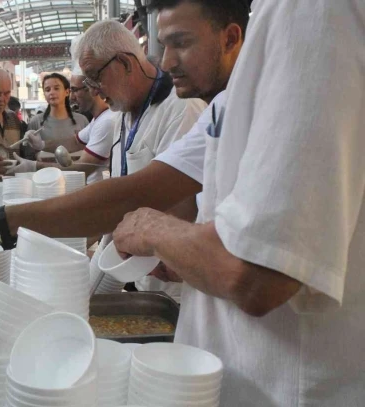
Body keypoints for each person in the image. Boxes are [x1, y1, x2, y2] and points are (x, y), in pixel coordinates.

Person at [113, 1, 365, 405]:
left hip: (285, 387)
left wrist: (152, 229)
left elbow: (256, 275)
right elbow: (244, 233)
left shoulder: (310, 11)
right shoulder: (231, 93)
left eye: (180, 42)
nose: (165, 61)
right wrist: (190, 258)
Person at [0, 0, 247, 267]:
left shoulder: (185, 110)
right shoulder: (126, 113)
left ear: (124, 63)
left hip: (168, 277)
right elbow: (122, 193)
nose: (166, 61)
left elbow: (136, 196)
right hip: (141, 269)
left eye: (181, 43)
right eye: (164, 46)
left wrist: (2, 222)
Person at [8, 73, 116, 185]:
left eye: (74, 90)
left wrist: (35, 166)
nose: (72, 97)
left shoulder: (106, 122)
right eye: (47, 89)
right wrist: (41, 144)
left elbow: (82, 166)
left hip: (98, 191)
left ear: (91, 88)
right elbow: (74, 142)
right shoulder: (98, 120)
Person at [25, 73, 89, 153]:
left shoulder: (81, 120)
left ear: (67, 92)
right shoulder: (35, 121)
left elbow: (89, 149)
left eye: (56, 88)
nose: (52, 92)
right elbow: (28, 154)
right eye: (47, 90)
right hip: (44, 165)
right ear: (44, 95)